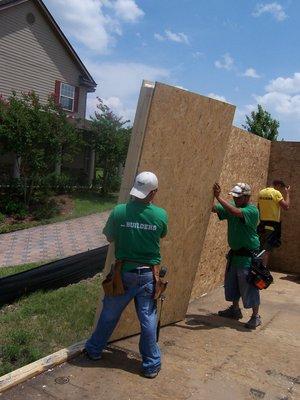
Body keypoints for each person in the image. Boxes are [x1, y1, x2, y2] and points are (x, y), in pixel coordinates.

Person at [85, 171, 168, 378]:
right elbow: (163, 234)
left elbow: (109, 237)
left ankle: (94, 350)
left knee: (109, 314)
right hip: (149, 275)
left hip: (123, 274)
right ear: (154, 192)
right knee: (148, 319)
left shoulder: (119, 211)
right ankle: (150, 365)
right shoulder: (160, 215)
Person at [212, 182, 262, 329]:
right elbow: (214, 208)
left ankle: (255, 316)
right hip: (235, 255)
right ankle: (235, 309)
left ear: (247, 197)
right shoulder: (233, 207)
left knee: (250, 286)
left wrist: (218, 197)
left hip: (248, 257)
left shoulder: (251, 210)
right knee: (232, 284)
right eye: (234, 197)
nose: (235, 199)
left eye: (238, 197)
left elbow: (235, 212)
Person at [257, 180, 290, 267]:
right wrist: (287, 194)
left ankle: (256, 269)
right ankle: (262, 272)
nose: (281, 190)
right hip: (272, 225)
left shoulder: (261, 192)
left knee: (260, 247)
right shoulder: (276, 193)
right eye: (281, 188)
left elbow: (258, 207)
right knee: (267, 249)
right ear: (278, 185)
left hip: (262, 223)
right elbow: (286, 206)